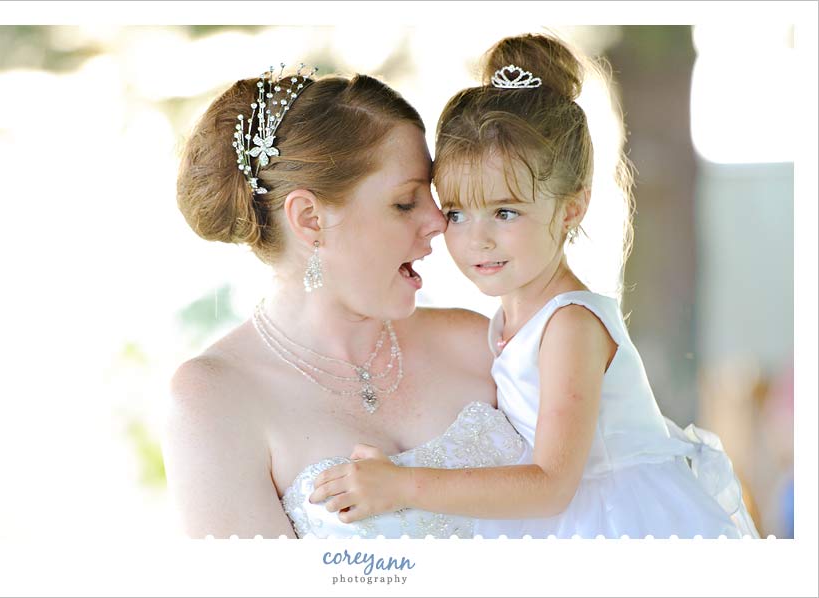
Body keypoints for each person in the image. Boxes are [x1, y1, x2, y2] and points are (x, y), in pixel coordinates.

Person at [309, 35, 760, 539]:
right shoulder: (509, 321)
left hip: (620, 528)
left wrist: (401, 485)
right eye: (456, 213)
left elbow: (550, 484)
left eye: (505, 211)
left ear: (571, 207)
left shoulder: (569, 323)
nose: (476, 239)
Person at [162, 64, 529, 539]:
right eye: (405, 202)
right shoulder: (214, 400)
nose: (439, 221)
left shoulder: (478, 340)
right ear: (311, 218)